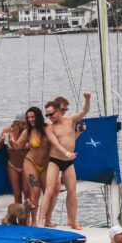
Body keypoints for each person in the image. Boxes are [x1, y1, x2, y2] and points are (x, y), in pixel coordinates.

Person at [39, 93, 91, 229]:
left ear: (59, 111)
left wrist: (87, 99)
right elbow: (56, 143)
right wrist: (67, 153)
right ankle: (41, 220)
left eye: (51, 114)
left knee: (72, 191)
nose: (50, 117)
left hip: (68, 162)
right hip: (55, 160)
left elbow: (84, 111)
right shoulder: (49, 127)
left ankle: (72, 221)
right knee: (50, 190)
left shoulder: (71, 120)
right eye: (47, 115)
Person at [15, 107, 50, 226]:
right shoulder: (27, 132)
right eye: (28, 117)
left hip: (46, 164)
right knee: (35, 190)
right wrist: (10, 142)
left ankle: (47, 220)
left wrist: (77, 133)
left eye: (32, 117)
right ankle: (34, 221)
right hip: (31, 162)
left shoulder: (47, 129)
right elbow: (18, 146)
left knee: (49, 192)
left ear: (38, 116)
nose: (30, 119)